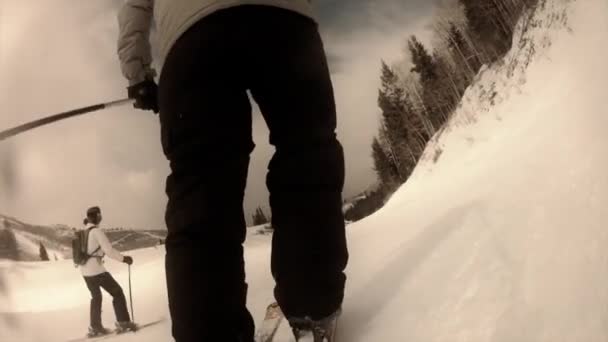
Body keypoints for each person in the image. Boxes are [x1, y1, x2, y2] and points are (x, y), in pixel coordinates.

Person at [117, 1, 349, 341]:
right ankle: (313, 305)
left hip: (193, 41)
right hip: (284, 23)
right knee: (307, 154)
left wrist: (138, 74)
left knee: (201, 189)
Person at [78, 206, 136, 337]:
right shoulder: (97, 231)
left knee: (96, 297)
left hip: (85, 271)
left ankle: (95, 327)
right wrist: (124, 259)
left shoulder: (83, 231)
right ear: (97, 216)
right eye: (100, 215)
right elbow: (109, 251)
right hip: (97, 271)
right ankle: (123, 322)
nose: (101, 217)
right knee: (117, 292)